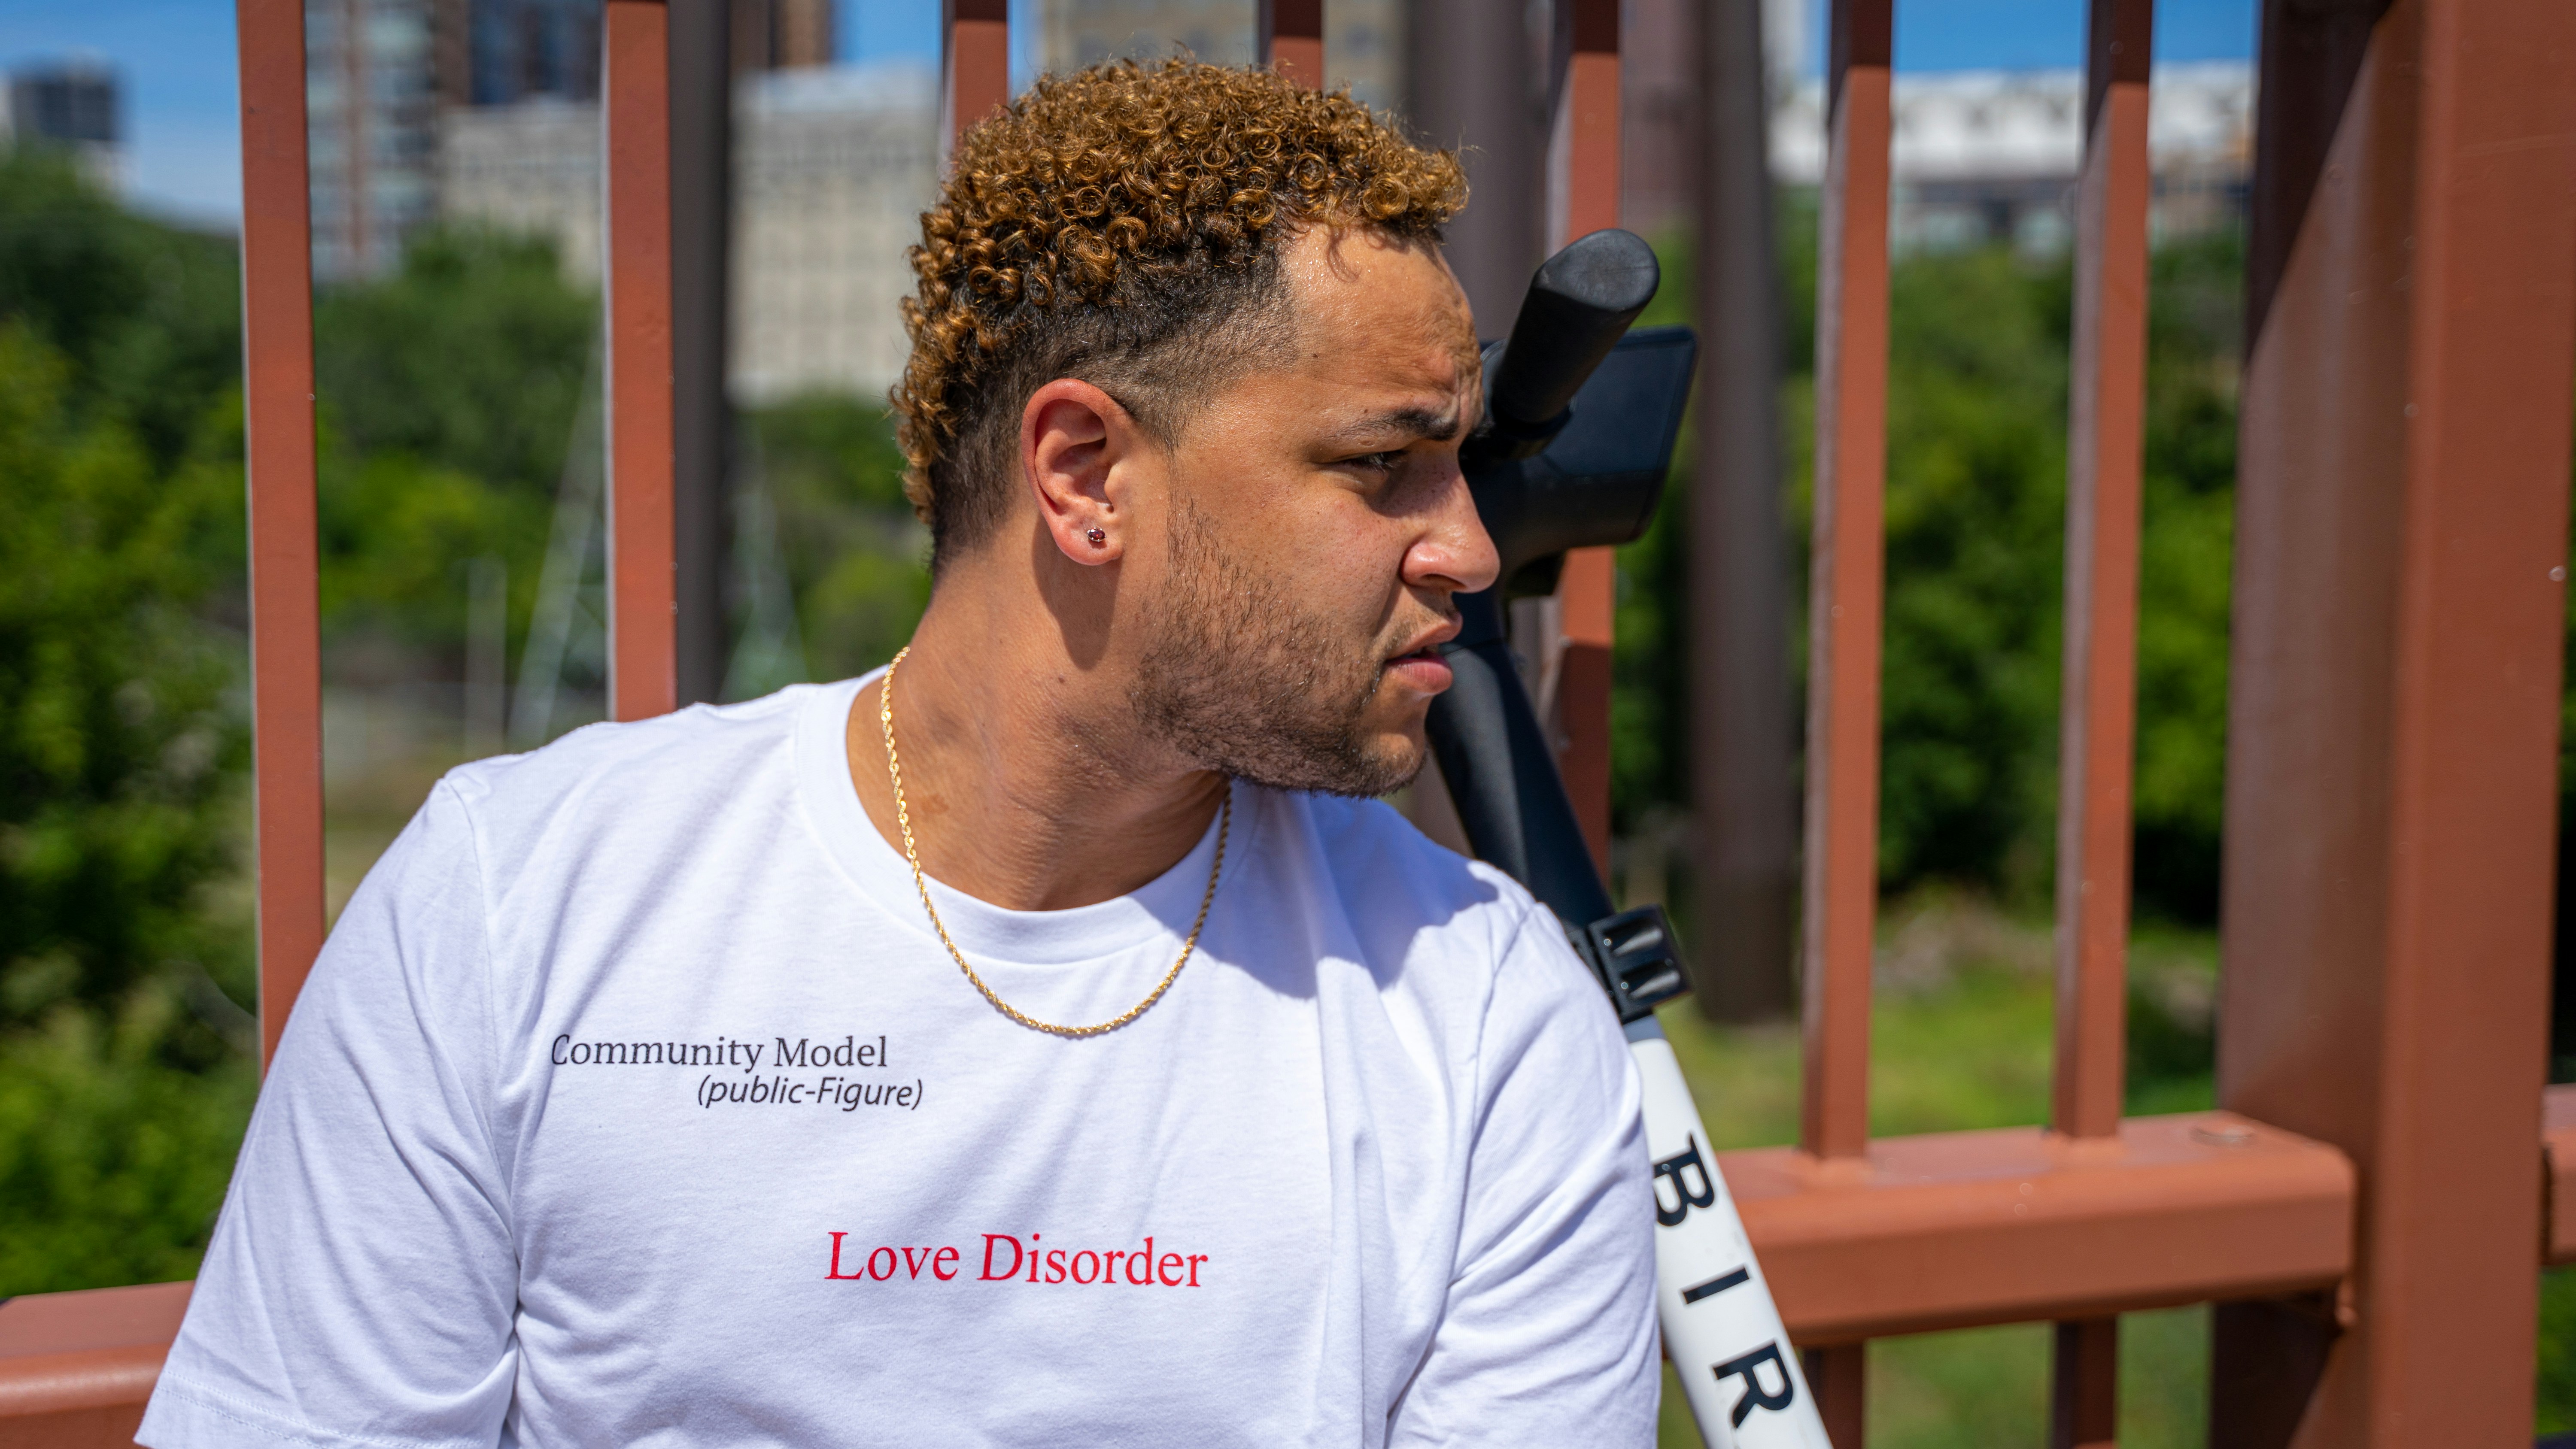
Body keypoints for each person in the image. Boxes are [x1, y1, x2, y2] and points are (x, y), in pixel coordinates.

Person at [141, 60, 1656, 1447]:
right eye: (1384, 466)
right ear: (1085, 476)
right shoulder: (522, 905)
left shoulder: (1487, 1023)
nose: (1466, 545)